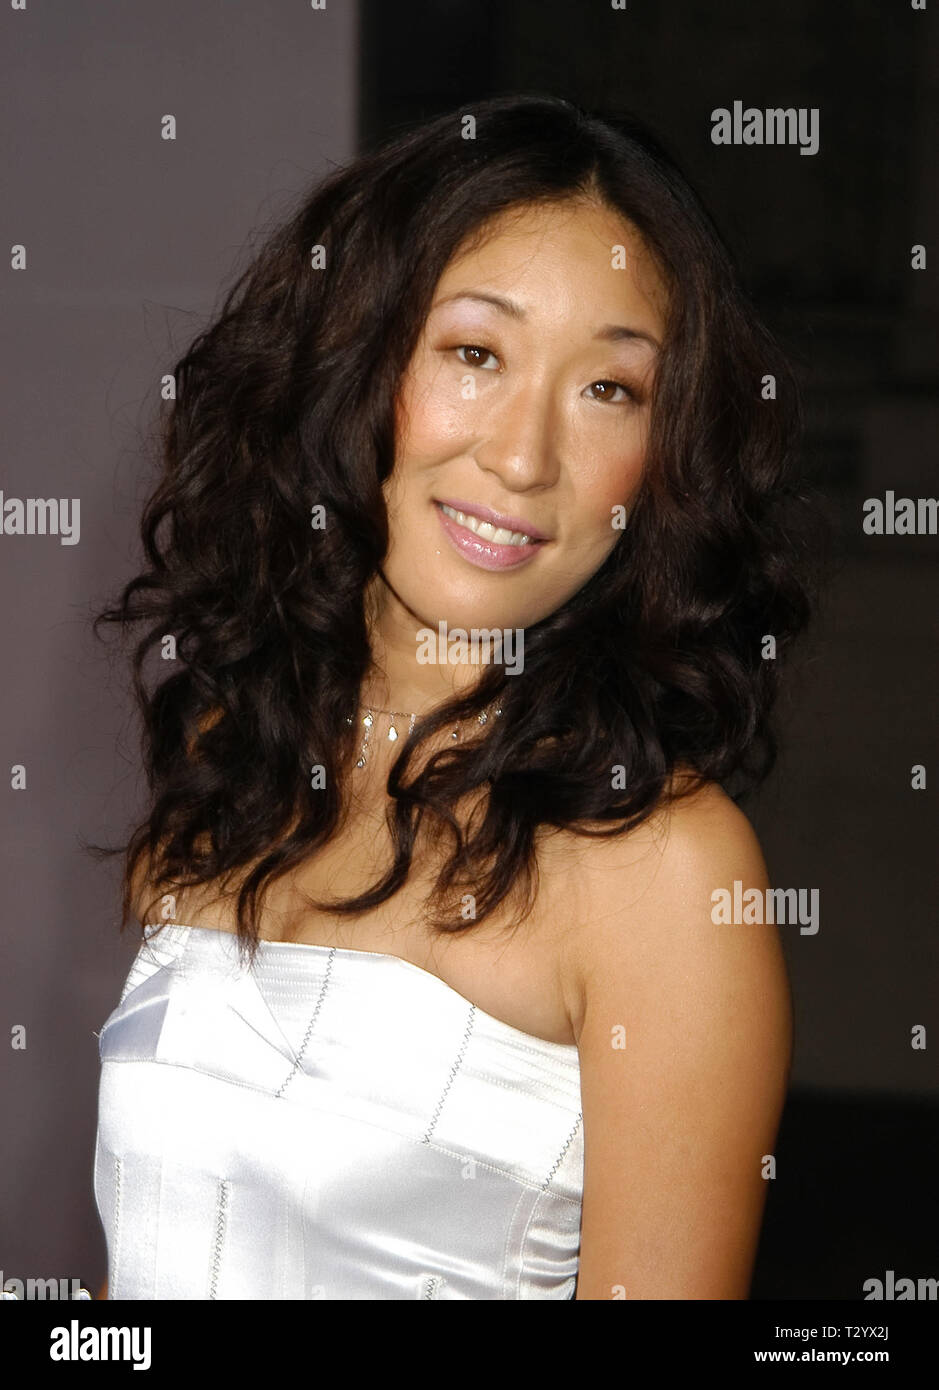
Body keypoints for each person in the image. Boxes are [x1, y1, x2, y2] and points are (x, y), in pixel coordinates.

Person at [90, 92, 820, 1300]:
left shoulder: (666, 871)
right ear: (355, 361)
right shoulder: (235, 765)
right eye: (476, 355)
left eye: (610, 390)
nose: (524, 457)